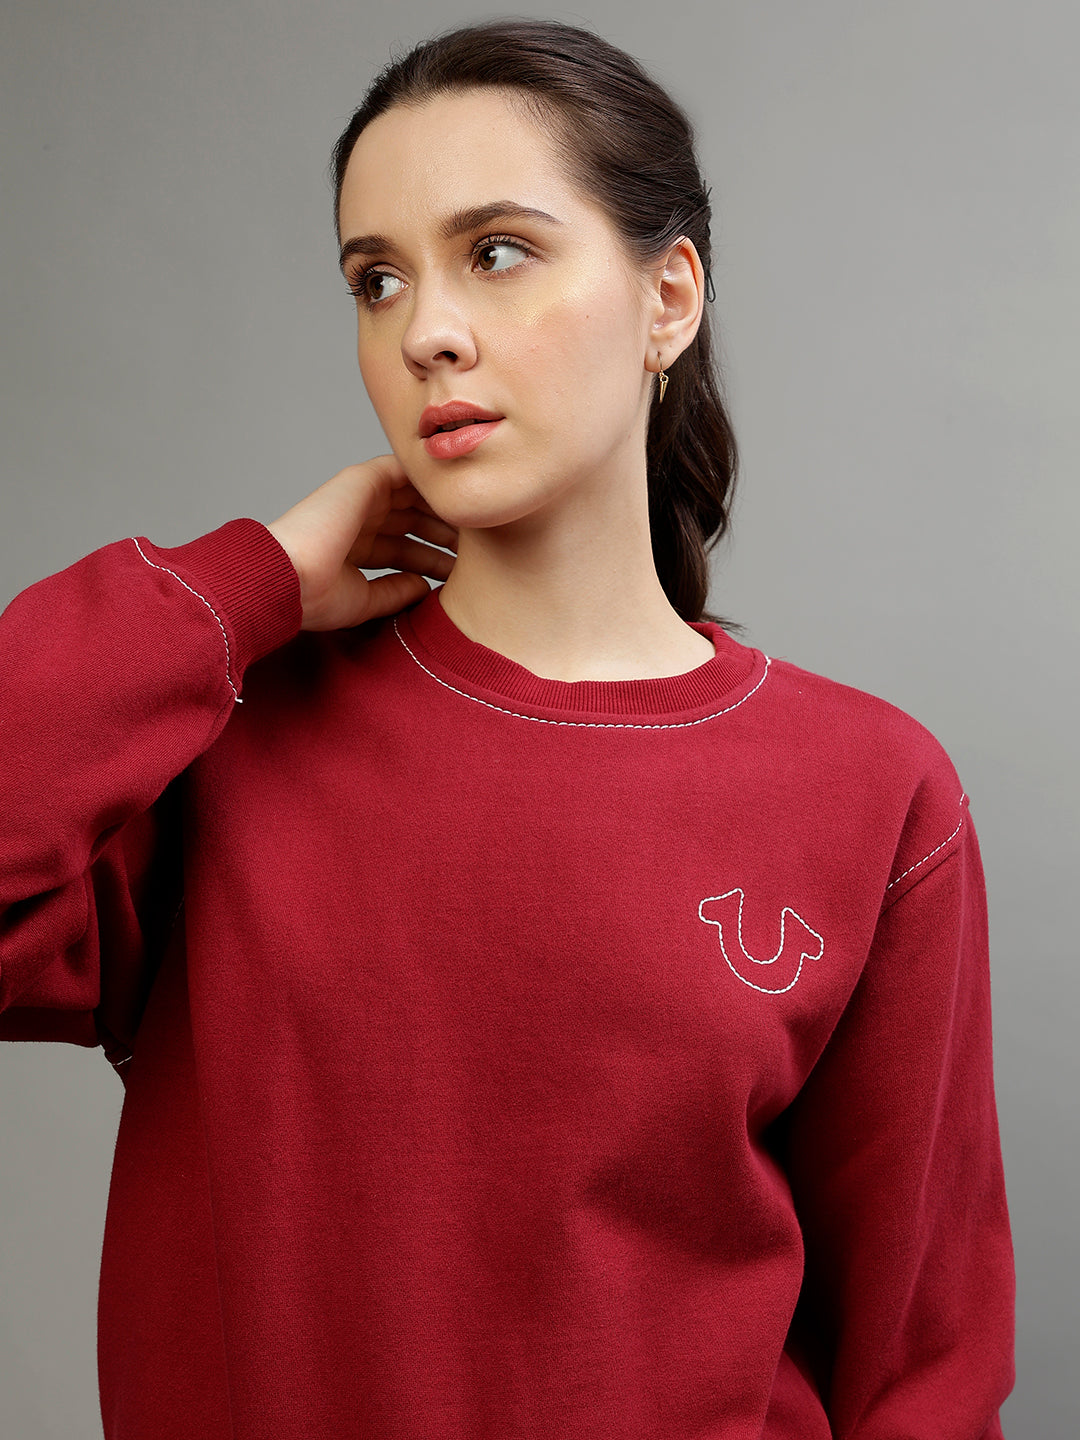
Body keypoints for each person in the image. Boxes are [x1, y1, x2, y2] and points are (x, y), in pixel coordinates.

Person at [0, 16, 1015, 1439]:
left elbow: (922, 1371)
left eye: (495, 251)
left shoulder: (871, 792)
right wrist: (243, 588)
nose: (426, 330)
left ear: (668, 299)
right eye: (376, 279)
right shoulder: (222, 743)